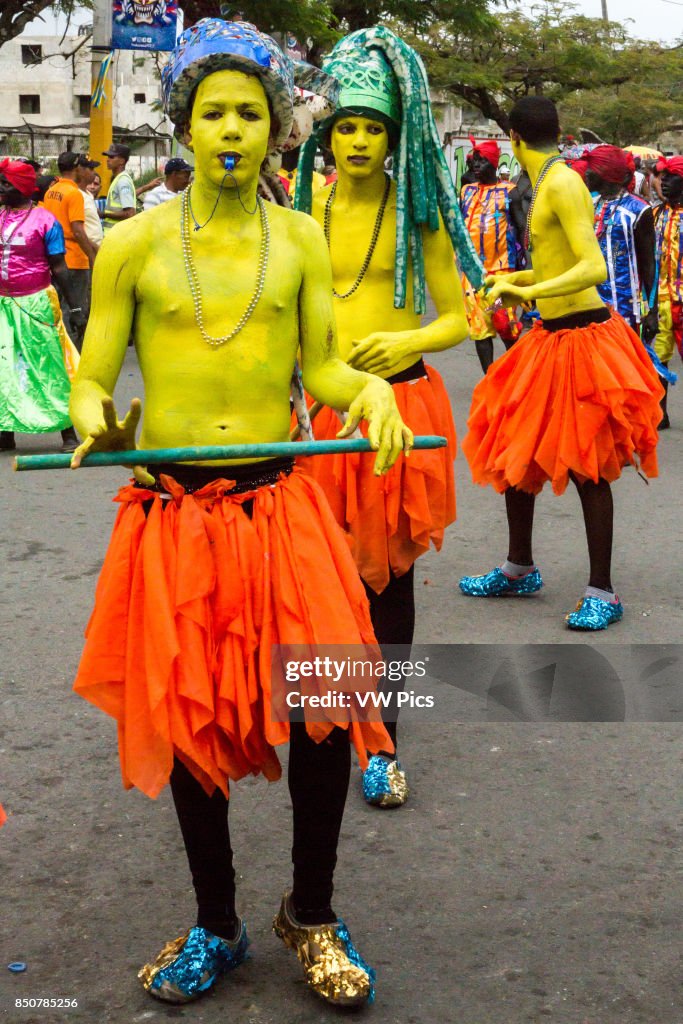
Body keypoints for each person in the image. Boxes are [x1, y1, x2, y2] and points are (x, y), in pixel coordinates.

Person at [68, 18, 412, 1009]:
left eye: (249, 114)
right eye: (213, 112)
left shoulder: (297, 238)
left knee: (319, 716)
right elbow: (92, 377)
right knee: (192, 727)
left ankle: (310, 911)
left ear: (272, 131)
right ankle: (214, 922)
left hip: (280, 510)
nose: (231, 129)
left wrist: (371, 394)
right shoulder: (130, 244)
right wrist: (93, 413)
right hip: (172, 520)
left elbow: (330, 366)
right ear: (183, 127)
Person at [295, 26, 478, 806]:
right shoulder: (304, 211)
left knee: (390, 577)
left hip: (401, 409)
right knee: (319, 569)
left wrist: (403, 338)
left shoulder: (418, 215)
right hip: (320, 415)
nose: (360, 140)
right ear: (327, 136)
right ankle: (334, 713)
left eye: (374, 127)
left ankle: (386, 737)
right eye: (348, 127)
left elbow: (461, 317)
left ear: (393, 135)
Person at [458, 97, 663, 631]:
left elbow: (591, 268)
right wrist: (512, 283)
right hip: (548, 335)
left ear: (512, 138)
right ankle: (518, 567)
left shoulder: (563, 183)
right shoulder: (548, 179)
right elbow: (556, 263)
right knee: (511, 444)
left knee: (587, 466)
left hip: (584, 339)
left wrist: (534, 289)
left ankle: (603, 591)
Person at [0, 159, 82, 452]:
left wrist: (75, 308)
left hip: (35, 303)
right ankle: (5, 433)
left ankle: (68, 433)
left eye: (6, 183)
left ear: (22, 188)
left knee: (47, 365)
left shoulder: (46, 221)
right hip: (2, 305)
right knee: (4, 368)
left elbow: (59, 268)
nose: (1, 188)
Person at [583, 145, 671, 393]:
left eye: (593, 169)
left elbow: (648, 263)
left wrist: (652, 310)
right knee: (593, 374)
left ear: (610, 174)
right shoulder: (590, 204)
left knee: (622, 375)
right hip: (591, 305)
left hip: (626, 309)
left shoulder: (638, 210)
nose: (587, 174)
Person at [460, 137, 526, 373]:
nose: (476, 166)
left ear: (494, 163)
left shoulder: (510, 192)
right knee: (478, 327)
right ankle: (490, 378)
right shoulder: (466, 191)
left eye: (482, 162)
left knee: (505, 323)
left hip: (502, 273)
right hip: (472, 274)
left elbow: (521, 227)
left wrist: (526, 264)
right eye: (474, 162)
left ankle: (516, 373)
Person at [43, 152, 98, 346]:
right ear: (77, 169)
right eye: (85, 167)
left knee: (58, 311)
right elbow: (77, 230)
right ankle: (72, 364)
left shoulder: (51, 191)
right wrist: (92, 256)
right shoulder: (74, 194)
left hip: (54, 258)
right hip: (74, 260)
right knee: (75, 312)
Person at [653, 156, 683, 428]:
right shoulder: (656, 214)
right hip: (660, 298)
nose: (663, 183)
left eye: (669, 178)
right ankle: (661, 413)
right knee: (658, 358)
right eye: (662, 178)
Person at [101, 143, 136, 232]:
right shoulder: (118, 179)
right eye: (108, 157)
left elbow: (129, 213)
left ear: (122, 161)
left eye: (112, 157)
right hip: (114, 235)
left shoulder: (122, 181)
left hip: (118, 235)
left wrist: (104, 214)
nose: (108, 160)